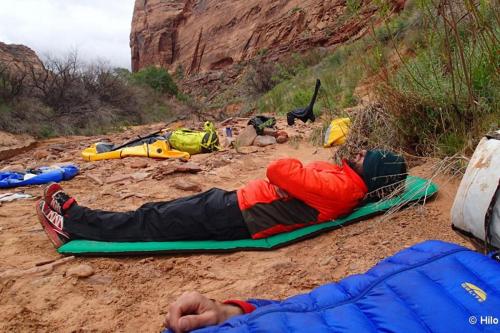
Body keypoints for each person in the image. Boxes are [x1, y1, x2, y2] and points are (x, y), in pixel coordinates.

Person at [36, 149, 407, 248]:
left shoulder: (343, 188)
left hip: (237, 216)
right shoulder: (344, 179)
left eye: (366, 158)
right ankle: (78, 218)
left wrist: (300, 170)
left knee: (152, 221)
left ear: (371, 172)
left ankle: (72, 223)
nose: (359, 154)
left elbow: (279, 169)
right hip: (235, 205)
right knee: (155, 215)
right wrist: (303, 174)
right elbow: (295, 176)